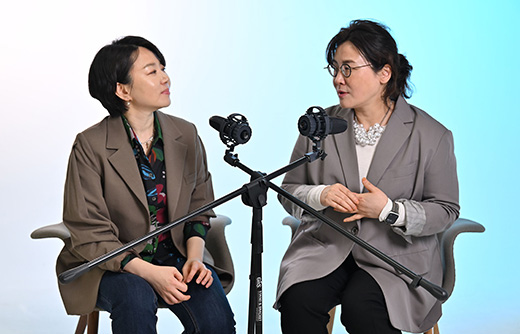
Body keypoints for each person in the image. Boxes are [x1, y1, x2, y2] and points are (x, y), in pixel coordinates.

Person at [274, 20, 460, 334]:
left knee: (365, 309)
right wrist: (320, 195)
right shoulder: (319, 125)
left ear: (384, 73)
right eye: (334, 69)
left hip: (395, 257)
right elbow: (287, 190)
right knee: (299, 299)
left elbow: (445, 210)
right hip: (326, 247)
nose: (337, 79)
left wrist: (390, 210)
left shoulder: (431, 135)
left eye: (348, 69)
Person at [56, 36, 236, 334]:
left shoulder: (185, 133)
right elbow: (89, 232)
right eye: (152, 71)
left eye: (163, 68)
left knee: (216, 323)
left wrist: (193, 259)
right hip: (110, 264)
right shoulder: (90, 145)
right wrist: (150, 273)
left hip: (177, 256)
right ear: (122, 89)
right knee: (135, 295)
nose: (166, 78)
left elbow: (199, 207)